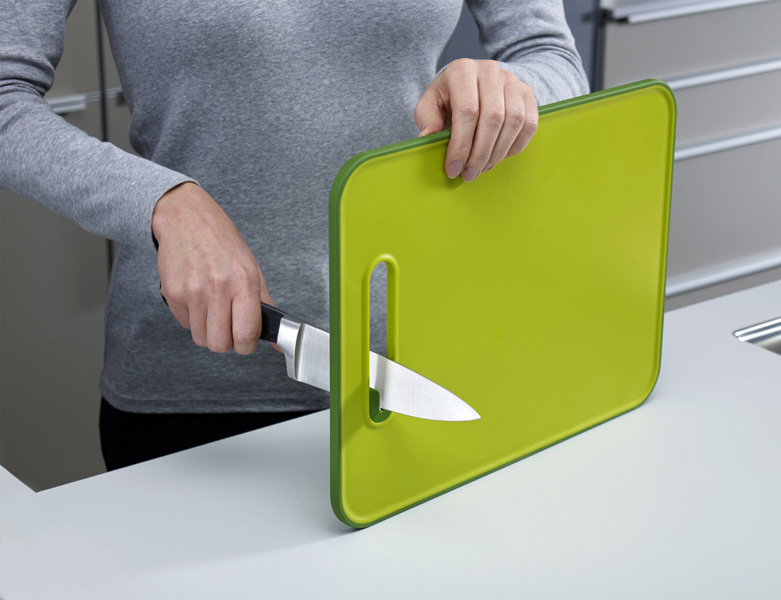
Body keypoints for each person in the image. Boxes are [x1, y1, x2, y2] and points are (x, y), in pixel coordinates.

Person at [0, 1, 589, 469]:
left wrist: (507, 90)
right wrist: (164, 203)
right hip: (193, 390)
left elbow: (551, 57)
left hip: (415, 369)